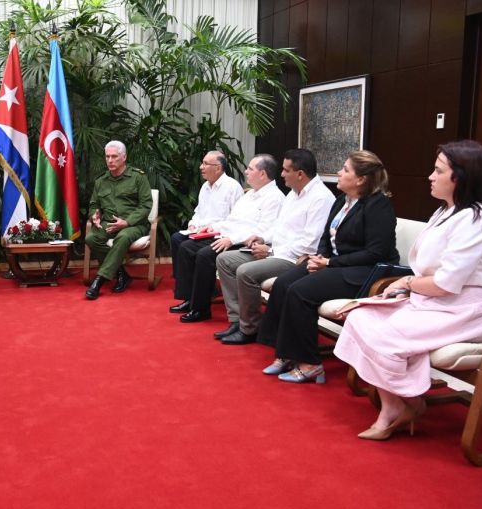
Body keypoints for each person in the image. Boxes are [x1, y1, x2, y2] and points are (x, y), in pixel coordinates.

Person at [335, 141, 482, 440]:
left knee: (386, 334)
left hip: (465, 309)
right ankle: (404, 403)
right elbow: (430, 274)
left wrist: (407, 283)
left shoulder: (476, 219)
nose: (430, 176)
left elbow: (445, 283)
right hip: (434, 301)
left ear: (461, 177)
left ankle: (399, 407)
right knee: (360, 316)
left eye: (438, 171)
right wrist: (407, 287)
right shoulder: (447, 211)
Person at [256, 150, 399, 384]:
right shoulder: (342, 200)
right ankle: (286, 352)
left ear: (361, 179)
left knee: (300, 292)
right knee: (283, 283)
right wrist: (320, 257)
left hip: (364, 272)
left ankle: (310, 363)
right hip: (335, 264)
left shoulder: (378, 205)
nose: (339, 173)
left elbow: (375, 252)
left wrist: (329, 262)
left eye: (345, 170)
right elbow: (326, 236)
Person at [215, 149, 335, 343]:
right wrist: (262, 238)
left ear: (300, 174)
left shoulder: (320, 198)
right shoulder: (293, 194)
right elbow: (279, 228)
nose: (281, 174)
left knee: (245, 272)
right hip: (276, 252)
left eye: (286, 170)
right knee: (225, 260)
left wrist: (271, 251)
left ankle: (250, 328)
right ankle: (237, 320)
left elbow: (309, 244)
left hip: (294, 259)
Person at [170, 154, 284, 322]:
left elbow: (261, 232)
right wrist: (214, 227)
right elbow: (232, 220)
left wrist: (231, 239)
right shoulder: (250, 194)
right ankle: (190, 300)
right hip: (228, 236)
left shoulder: (274, 198)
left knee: (204, 255)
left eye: (250, 169)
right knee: (186, 247)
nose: (246, 172)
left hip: (245, 243)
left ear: (262, 174)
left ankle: (200, 309)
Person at [83, 140, 153, 300]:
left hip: (134, 224)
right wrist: (94, 215)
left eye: (114, 156)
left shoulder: (138, 177)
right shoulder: (101, 181)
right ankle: (121, 273)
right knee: (91, 238)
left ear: (124, 157)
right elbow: (94, 204)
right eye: (107, 157)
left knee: (122, 237)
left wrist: (126, 222)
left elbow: (146, 205)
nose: (110, 160)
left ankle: (99, 280)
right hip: (108, 223)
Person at [169, 151, 243, 279]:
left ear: (218, 168)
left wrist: (213, 228)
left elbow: (236, 219)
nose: (201, 167)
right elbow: (199, 212)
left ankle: (191, 284)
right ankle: (182, 280)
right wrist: (193, 224)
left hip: (219, 234)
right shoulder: (205, 186)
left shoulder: (233, 187)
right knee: (176, 238)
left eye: (205, 164)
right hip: (201, 231)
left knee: (186, 247)